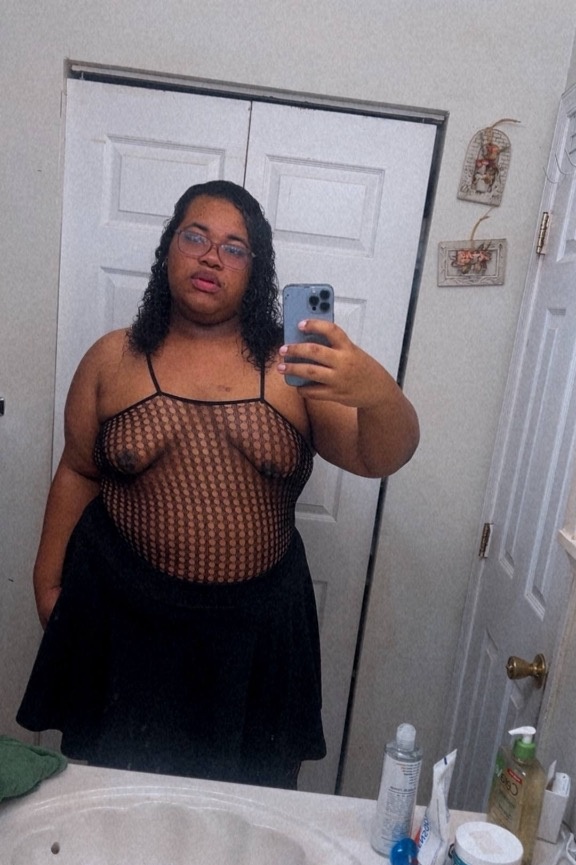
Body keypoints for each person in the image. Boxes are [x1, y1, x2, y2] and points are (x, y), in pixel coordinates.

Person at [17, 180, 419, 788]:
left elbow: (378, 456)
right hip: (124, 620)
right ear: (168, 249)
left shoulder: (293, 366)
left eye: (234, 248)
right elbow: (78, 468)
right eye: (196, 237)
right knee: (116, 804)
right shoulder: (111, 359)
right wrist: (47, 581)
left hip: (254, 636)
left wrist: (379, 393)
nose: (211, 257)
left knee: (245, 817)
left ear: (256, 271)